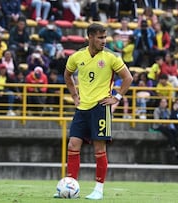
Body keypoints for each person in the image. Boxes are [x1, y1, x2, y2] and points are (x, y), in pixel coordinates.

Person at [59, 23, 132, 200]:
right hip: (82, 108)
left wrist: (117, 97)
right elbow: (67, 75)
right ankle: (71, 186)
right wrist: (74, 95)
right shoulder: (77, 57)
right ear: (90, 37)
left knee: (99, 149)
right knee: (72, 145)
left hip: (100, 108)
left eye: (105, 37)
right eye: (100, 37)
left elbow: (127, 78)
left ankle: (98, 189)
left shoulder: (111, 57)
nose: (103, 41)